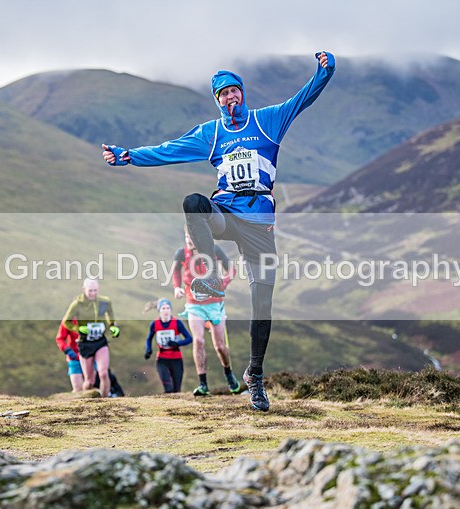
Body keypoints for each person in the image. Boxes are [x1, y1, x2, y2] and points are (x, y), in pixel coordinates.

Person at [103, 52, 336, 411]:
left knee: (263, 305)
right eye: (222, 95)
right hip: (225, 213)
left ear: (242, 93)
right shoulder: (211, 134)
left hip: (258, 223)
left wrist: (325, 71)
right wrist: (129, 156)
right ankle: (209, 273)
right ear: (217, 101)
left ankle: (254, 377)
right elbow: (169, 150)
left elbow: (304, 97)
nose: (229, 98)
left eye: (233, 91)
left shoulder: (268, 120)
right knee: (193, 202)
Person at [172, 226, 240, 396]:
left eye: (192, 236)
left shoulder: (214, 250)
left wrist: (221, 285)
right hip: (194, 304)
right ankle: (203, 384)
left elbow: (231, 269)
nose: (189, 240)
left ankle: (228, 373)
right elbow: (175, 272)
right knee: (199, 340)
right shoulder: (181, 254)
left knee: (220, 346)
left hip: (215, 304)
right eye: (187, 236)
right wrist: (177, 288)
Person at [61, 278, 120, 398]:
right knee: (89, 381)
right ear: (84, 290)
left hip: (100, 341)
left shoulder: (105, 302)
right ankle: (86, 402)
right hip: (85, 344)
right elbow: (66, 322)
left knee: (103, 373)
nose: (93, 293)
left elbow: (110, 315)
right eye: (90, 291)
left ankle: (105, 401)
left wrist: (113, 326)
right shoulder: (77, 304)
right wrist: (79, 329)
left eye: (95, 290)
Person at [55, 320, 124, 396]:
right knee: (78, 389)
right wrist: (67, 350)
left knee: (91, 384)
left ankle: (97, 403)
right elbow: (59, 338)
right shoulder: (68, 321)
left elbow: (105, 322)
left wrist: (113, 326)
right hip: (75, 359)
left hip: (90, 357)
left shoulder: (91, 318)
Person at [144, 299, 192, 393]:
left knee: (176, 390)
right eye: (163, 308)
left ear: (170, 310)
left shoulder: (177, 323)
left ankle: (175, 407)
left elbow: (189, 338)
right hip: (162, 360)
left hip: (176, 359)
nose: (166, 311)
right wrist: (148, 350)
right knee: (168, 389)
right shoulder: (154, 324)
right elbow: (148, 338)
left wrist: (177, 343)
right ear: (159, 311)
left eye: (168, 308)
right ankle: (167, 405)